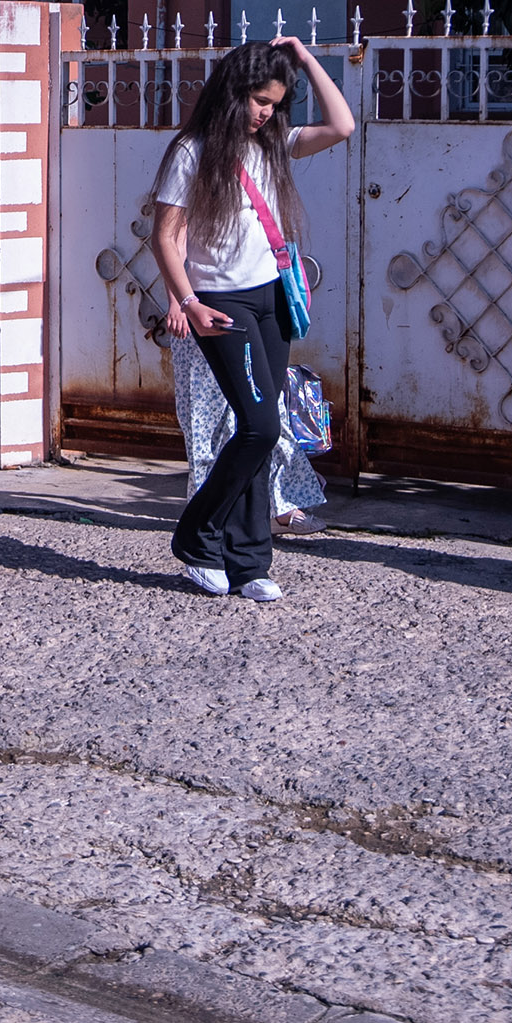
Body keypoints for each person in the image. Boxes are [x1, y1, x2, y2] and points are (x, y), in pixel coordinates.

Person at [153, 37, 356, 601]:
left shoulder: (271, 144)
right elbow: (164, 237)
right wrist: (188, 303)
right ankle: (197, 536)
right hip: (223, 304)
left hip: (271, 299)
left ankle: (248, 564)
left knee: (260, 431)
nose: (266, 112)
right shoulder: (192, 151)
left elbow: (342, 126)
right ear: (233, 90)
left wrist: (306, 60)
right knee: (261, 425)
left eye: (275, 103)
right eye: (259, 100)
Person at [169, 333, 330, 534]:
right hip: (199, 325)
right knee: (206, 422)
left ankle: (280, 506)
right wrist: (180, 310)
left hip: (246, 321)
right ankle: (210, 517)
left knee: (266, 414)